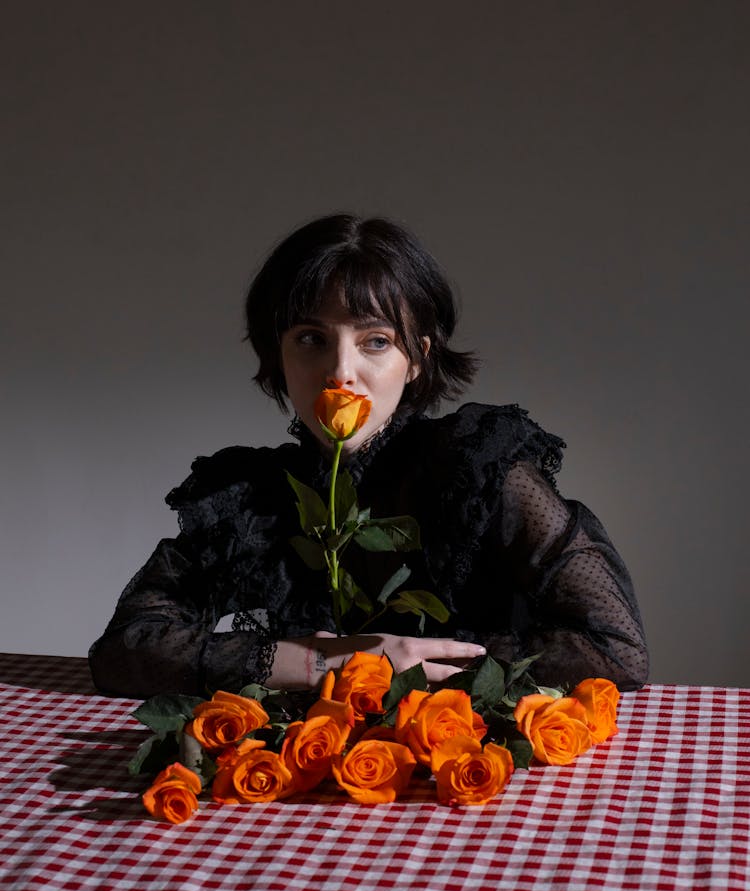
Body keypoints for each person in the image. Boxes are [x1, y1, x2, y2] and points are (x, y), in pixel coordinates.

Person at [89, 214, 649, 699]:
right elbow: (124, 649)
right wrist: (326, 661)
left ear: (418, 359)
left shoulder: (479, 472)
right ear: (276, 355)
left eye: (375, 340)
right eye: (311, 339)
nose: (340, 372)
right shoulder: (250, 496)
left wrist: (416, 663)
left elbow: (614, 650)